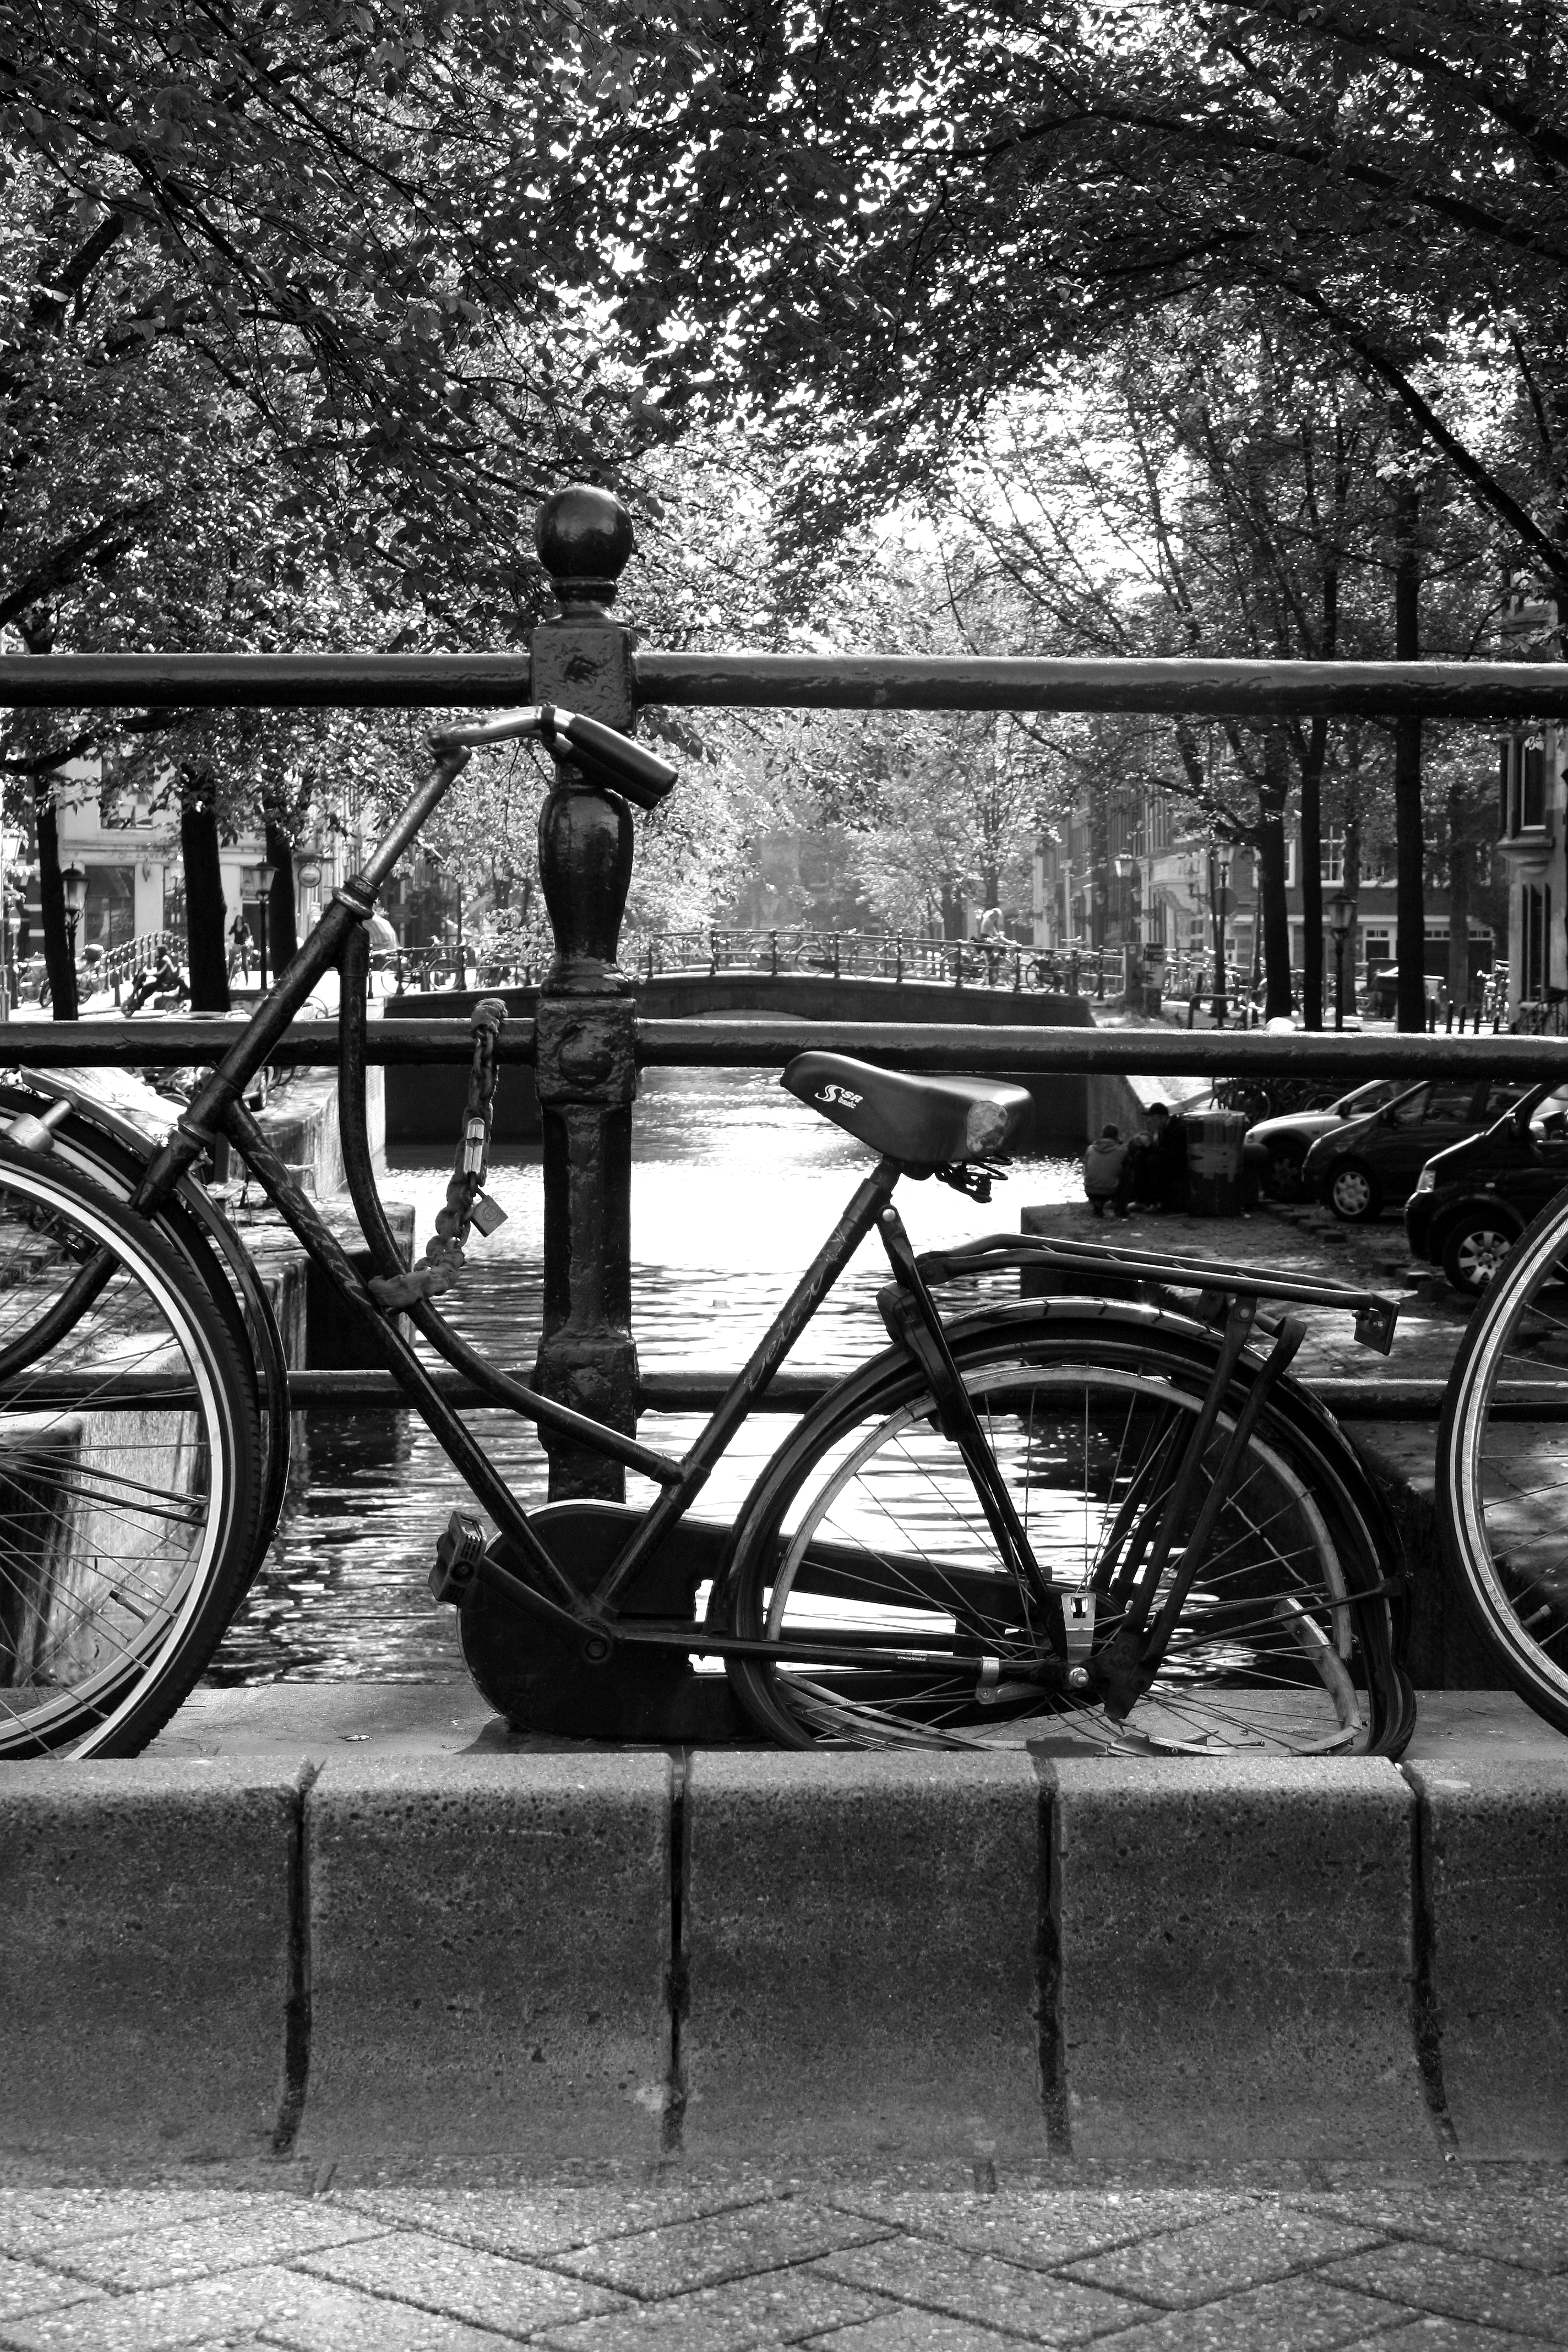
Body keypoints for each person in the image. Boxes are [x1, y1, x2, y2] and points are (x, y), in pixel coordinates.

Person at [1082, 1123, 1131, 1219]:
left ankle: (1098, 1205)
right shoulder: (1122, 1150)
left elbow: (1086, 1168)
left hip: (1090, 1189)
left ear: (1102, 1136)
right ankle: (1120, 1208)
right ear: (1117, 1137)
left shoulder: (1090, 1149)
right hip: (1109, 1191)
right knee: (1126, 1172)